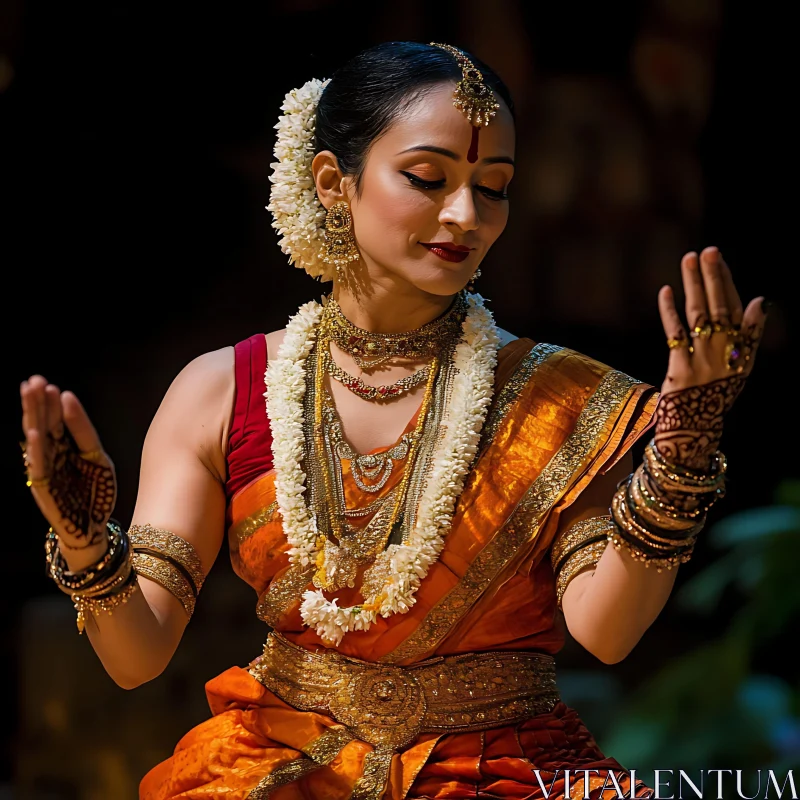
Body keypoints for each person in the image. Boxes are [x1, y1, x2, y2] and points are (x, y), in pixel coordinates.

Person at [20, 41, 767, 800]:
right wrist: (86, 545)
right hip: (273, 766)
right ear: (332, 183)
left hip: (503, 773)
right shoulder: (223, 392)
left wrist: (681, 450)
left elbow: (606, 631)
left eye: (495, 187)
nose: (466, 215)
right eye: (427, 177)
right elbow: (135, 655)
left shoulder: (555, 399)